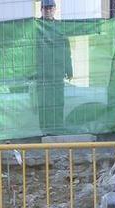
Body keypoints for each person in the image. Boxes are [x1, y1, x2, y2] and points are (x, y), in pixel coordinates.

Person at [36, 0, 73, 135]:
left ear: (55, 9)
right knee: (44, 101)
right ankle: (45, 129)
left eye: (50, 8)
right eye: (45, 8)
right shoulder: (36, 25)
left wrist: (69, 69)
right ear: (41, 10)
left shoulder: (60, 27)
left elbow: (66, 49)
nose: (47, 10)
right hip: (42, 72)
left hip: (57, 71)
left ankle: (57, 127)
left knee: (58, 100)